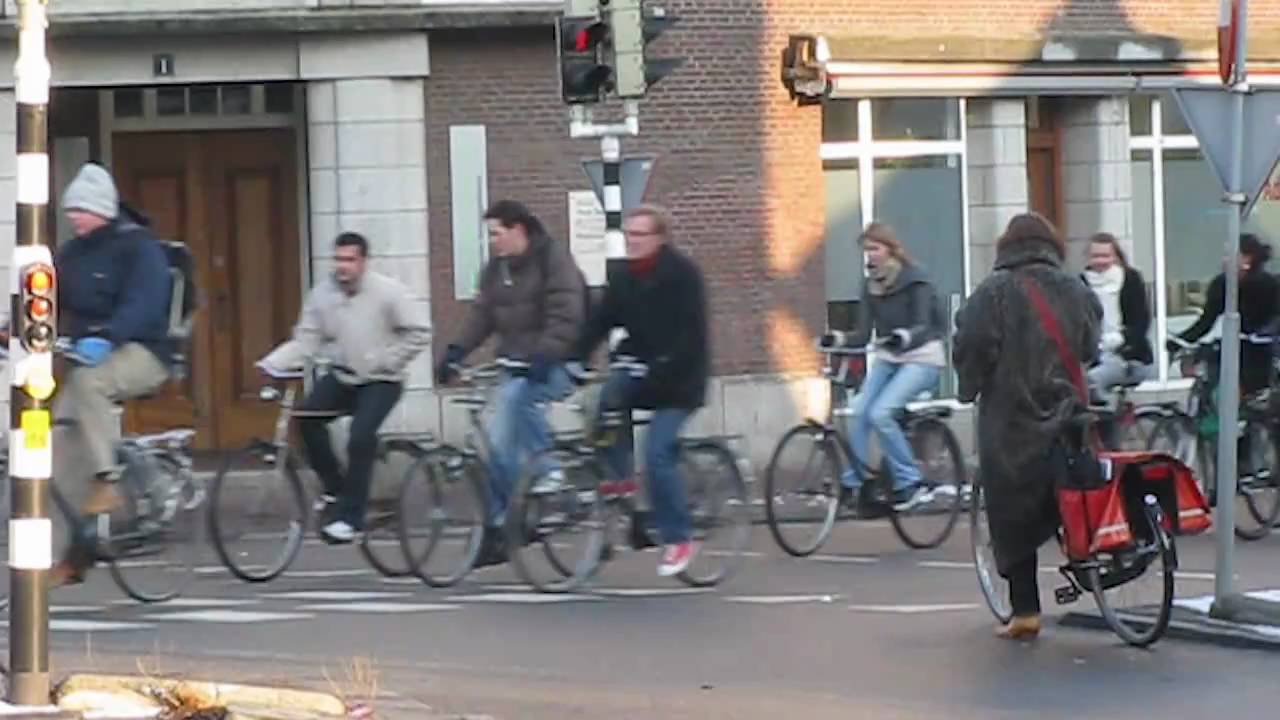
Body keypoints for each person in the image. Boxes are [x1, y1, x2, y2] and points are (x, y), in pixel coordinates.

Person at [953, 212, 1102, 640]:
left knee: (1011, 510)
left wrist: (970, 385)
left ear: (1006, 247)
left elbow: (973, 344)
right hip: (1067, 411)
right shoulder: (1075, 287)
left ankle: (1025, 612)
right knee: (1073, 490)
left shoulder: (993, 292)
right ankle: (1092, 562)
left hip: (1012, 419)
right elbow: (1090, 347)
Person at [435, 199, 585, 567]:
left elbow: (566, 314)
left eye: (497, 234)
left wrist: (547, 354)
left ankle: (551, 474)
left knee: (519, 400)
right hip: (517, 364)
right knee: (494, 446)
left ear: (518, 229)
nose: (493, 242)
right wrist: (456, 352)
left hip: (560, 361)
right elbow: (482, 316)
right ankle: (503, 526)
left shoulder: (553, 259)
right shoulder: (496, 270)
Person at [259, 231, 431, 544]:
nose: (343, 266)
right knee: (306, 418)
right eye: (338, 259)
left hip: (381, 380)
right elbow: (306, 340)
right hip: (343, 376)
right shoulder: (321, 295)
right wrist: (273, 363)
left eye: (350, 260)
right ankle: (336, 489)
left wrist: (387, 360)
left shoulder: (388, 292)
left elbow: (420, 332)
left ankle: (352, 518)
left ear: (363, 262)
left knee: (360, 437)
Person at [50, 163, 174, 586]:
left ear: (102, 209)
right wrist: (15, 330)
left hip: (142, 351)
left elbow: (145, 305)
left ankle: (108, 479)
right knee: (59, 453)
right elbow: (47, 300)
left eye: (81, 210)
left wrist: (108, 335)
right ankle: (68, 557)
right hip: (89, 357)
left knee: (90, 384)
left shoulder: (139, 249)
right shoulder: (70, 254)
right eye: (70, 211)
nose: (73, 217)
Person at [573, 204, 709, 577]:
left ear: (659, 238)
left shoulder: (683, 276)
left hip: (679, 380)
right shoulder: (624, 276)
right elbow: (600, 322)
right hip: (643, 371)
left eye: (640, 235)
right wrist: (574, 357)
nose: (632, 241)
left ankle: (679, 538)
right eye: (628, 234)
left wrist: (660, 369)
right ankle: (621, 483)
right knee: (602, 404)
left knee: (657, 454)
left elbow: (689, 338)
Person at [832, 222, 947, 512]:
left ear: (891, 249)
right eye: (866, 250)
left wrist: (904, 336)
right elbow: (862, 334)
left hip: (922, 356)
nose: (870, 256)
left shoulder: (915, 278)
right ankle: (856, 482)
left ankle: (910, 482)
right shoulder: (870, 285)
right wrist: (838, 338)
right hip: (889, 356)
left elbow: (924, 325)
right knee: (860, 411)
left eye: (875, 249)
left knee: (881, 413)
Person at [1169, 233, 1280, 398]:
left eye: (1230, 255)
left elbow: (1275, 317)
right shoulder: (1221, 284)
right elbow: (1206, 321)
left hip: (1262, 349)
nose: (1224, 260)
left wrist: (1263, 334)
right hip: (1236, 348)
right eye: (1225, 254)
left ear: (1247, 259)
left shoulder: (1267, 284)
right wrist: (1181, 340)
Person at [1083, 232, 1154, 400]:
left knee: (1091, 382)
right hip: (1094, 357)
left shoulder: (1130, 279)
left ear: (1115, 256)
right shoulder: (1081, 282)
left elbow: (1141, 321)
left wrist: (1119, 339)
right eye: (1095, 256)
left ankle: (1105, 414)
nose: (1100, 261)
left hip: (1128, 358)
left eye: (1105, 256)